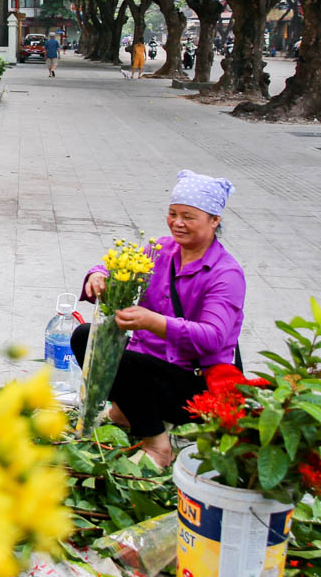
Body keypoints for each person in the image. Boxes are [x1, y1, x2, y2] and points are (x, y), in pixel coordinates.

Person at [73, 170, 246, 467]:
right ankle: (126, 414)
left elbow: (213, 337)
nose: (177, 223)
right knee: (86, 336)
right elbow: (117, 264)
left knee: (123, 362)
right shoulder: (160, 250)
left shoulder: (225, 274)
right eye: (172, 214)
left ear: (214, 220)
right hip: (148, 369)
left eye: (189, 217)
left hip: (192, 386)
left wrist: (153, 322)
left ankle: (157, 444)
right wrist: (98, 274)